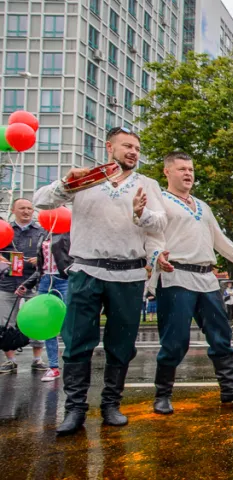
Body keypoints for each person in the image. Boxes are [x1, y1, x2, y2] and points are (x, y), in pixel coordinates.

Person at [33, 126, 167, 436]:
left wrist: (141, 212)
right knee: (78, 342)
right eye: (126, 146)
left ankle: (110, 404)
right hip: (86, 271)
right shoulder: (87, 179)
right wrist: (67, 183)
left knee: (121, 344)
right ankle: (75, 408)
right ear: (110, 147)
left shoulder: (147, 184)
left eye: (136, 147)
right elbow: (41, 201)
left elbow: (161, 221)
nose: (133, 151)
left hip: (129, 274)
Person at [147, 151, 233, 415]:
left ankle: (230, 388)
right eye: (182, 169)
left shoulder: (202, 206)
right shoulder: (160, 202)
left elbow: (220, 241)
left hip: (207, 279)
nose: (188, 173)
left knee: (221, 336)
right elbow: (151, 237)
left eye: (191, 169)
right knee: (175, 341)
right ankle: (162, 394)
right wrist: (155, 257)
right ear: (167, 172)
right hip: (176, 276)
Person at [16, 230, 72, 381]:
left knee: (68, 324)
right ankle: (53, 367)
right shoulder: (44, 234)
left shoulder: (70, 232)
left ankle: (73, 365)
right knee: (48, 325)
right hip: (45, 280)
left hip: (64, 280)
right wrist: (26, 284)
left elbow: (74, 260)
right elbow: (41, 267)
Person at [0, 199, 47, 375]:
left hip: (33, 283)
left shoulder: (41, 231)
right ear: (13, 210)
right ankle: (9, 360)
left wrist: (40, 260)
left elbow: (50, 254)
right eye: (22, 208)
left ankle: (37, 359)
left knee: (37, 322)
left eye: (29, 208)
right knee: (5, 324)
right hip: (6, 283)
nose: (26, 211)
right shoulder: (4, 230)